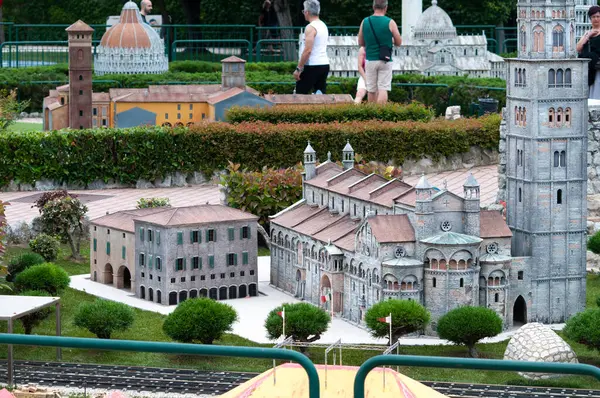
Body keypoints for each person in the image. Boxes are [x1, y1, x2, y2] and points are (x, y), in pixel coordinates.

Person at [357, 0, 401, 104]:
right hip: (385, 59)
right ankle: (381, 115)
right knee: (383, 88)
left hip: (370, 59)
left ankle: (372, 116)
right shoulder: (390, 22)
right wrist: (390, 40)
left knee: (371, 89)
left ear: (373, 7)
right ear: (386, 7)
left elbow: (361, 42)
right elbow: (399, 42)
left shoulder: (365, 21)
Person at [294, 0, 330, 94]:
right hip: (324, 63)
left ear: (307, 12)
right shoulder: (323, 25)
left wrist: (299, 68)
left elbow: (308, 50)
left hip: (312, 65)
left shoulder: (310, 27)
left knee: (300, 95)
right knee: (320, 94)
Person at [578, 5, 600, 99]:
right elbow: (578, 48)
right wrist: (588, 36)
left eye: (598, 16)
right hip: (591, 68)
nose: (596, 19)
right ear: (590, 18)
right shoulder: (587, 33)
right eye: (593, 17)